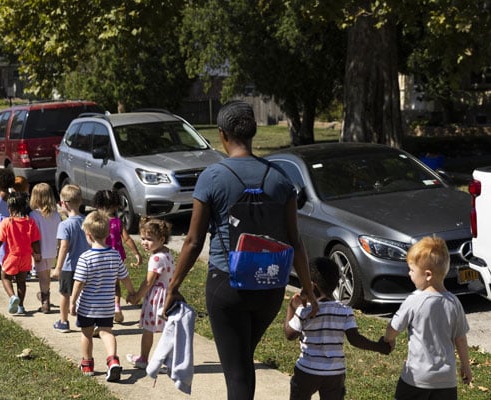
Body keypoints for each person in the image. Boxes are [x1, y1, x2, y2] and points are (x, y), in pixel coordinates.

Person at [164, 101, 318, 400]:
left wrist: (173, 286)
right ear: (252, 132)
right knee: (243, 359)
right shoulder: (280, 177)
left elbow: (193, 241)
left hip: (226, 286)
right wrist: (309, 289)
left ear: (222, 134)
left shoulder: (212, 177)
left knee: (236, 370)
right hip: (271, 286)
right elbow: (295, 240)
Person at [284, 257, 391, 400]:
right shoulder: (345, 310)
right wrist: (379, 347)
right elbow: (355, 340)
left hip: (307, 371)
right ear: (336, 284)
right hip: (334, 373)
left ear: (311, 286)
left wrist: (292, 307)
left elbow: (290, 334)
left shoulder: (305, 310)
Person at [382, 236, 472, 399]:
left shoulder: (414, 300)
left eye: (412, 270)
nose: (409, 274)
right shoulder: (454, 302)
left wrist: (388, 339)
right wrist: (466, 366)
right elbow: (461, 339)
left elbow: (393, 328)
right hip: (447, 380)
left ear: (427, 274)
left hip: (416, 379)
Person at [70, 210, 136, 382]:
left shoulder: (85, 258)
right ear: (107, 233)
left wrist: (72, 302)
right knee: (106, 332)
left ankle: (87, 364)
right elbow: (125, 277)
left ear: (88, 235)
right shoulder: (115, 255)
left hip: (87, 306)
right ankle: (113, 359)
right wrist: (131, 291)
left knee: (86, 334)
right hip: (107, 306)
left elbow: (78, 283)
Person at [126, 217, 174, 369]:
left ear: (161, 239)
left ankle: (143, 359)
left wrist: (136, 297)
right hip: (167, 296)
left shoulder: (156, 258)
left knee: (148, 329)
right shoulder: (167, 253)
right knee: (167, 329)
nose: (144, 242)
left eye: (149, 239)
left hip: (156, 298)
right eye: (143, 238)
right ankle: (170, 359)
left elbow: (148, 282)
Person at [0, 191, 41, 315]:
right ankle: (20, 306)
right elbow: (35, 241)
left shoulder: (7, 222)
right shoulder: (30, 222)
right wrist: (37, 253)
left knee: (5, 276)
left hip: (12, 256)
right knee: (21, 282)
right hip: (26, 257)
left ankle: (12, 297)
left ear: (9, 208)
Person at [92, 190, 141, 323]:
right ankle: (117, 308)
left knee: (100, 284)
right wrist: (136, 253)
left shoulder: (96, 222)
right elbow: (127, 239)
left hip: (99, 258)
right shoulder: (118, 222)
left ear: (98, 205)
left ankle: (102, 310)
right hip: (116, 258)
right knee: (115, 284)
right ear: (115, 206)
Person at [51, 184, 89, 333]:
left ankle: (63, 321)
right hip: (85, 265)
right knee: (83, 294)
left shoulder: (64, 225)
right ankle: (84, 318)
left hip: (69, 266)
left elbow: (64, 247)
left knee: (65, 294)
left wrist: (58, 268)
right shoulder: (87, 221)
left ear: (64, 204)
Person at [29, 182, 61, 313]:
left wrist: (34, 252)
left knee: (43, 278)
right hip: (52, 250)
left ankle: (45, 302)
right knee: (47, 275)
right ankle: (46, 297)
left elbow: (33, 236)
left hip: (39, 251)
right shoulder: (56, 215)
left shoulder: (33, 215)